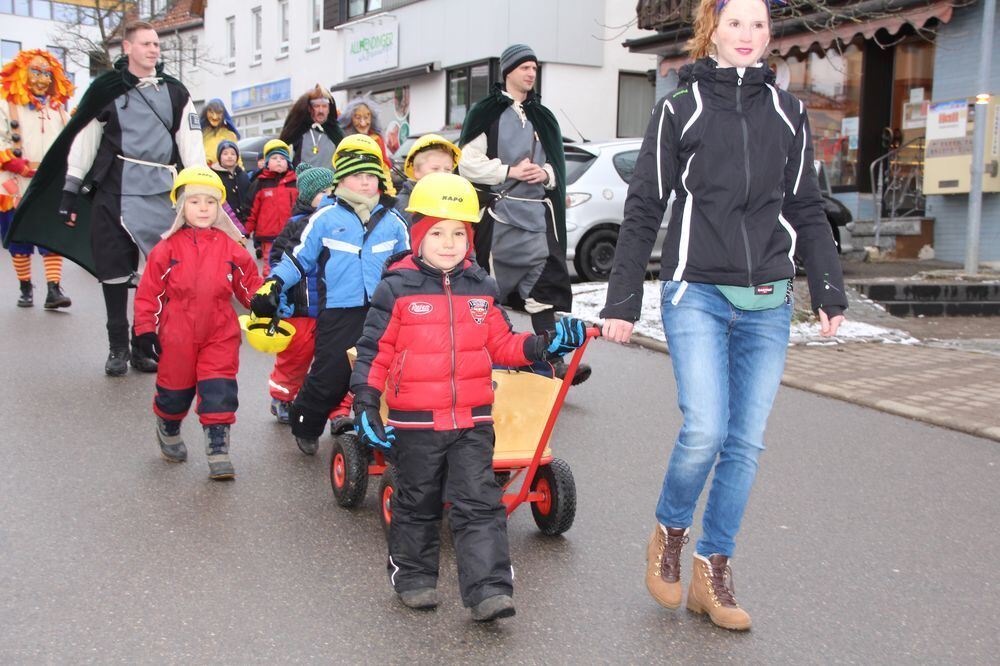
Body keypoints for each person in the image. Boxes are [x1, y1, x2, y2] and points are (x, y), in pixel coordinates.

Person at [600, 0, 847, 631]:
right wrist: (622, 301)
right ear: (713, 30)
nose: (747, 35)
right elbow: (644, 207)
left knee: (745, 444)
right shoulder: (680, 109)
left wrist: (826, 286)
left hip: (768, 300)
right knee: (706, 430)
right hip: (697, 294)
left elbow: (807, 207)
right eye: (735, 22)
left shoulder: (790, 115)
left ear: (770, 36)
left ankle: (714, 569)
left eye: (759, 25)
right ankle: (671, 530)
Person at [349, 172, 587, 621]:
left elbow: (502, 346)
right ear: (418, 236)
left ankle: (489, 591)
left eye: (459, 233)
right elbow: (374, 352)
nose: (448, 242)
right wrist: (364, 400)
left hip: (473, 420)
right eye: (437, 232)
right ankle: (414, 578)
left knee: (480, 503)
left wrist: (546, 345)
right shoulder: (396, 289)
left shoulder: (481, 287)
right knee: (415, 502)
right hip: (415, 422)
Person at [7, 21, 206, 377]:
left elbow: (191, 144)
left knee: (157, 277)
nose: (154, 49)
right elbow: (84, 144)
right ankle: (117, 347)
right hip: (113, 192)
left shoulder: (176, 93)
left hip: (161, 193)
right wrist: (69, 191)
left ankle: (143, 345)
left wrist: (200, 187)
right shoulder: (105, 91)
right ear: (127, 49)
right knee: (114, 272)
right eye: (146, 43)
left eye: (156, 44)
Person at [250, 133, 409, 456]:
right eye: (356, 176)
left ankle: (384, 431)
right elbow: (298, 257)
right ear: (341, 180)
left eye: (370, 176)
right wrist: (273, 284)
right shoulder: (325, 217)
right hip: (340, 309)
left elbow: (408, 264)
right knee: (332, 374)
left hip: (385, 309)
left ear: (380, 179)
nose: (364, 183)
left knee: (390, 372)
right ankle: (305, 421)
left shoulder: (392, 220)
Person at [458, 44, 589, 386]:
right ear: (508, 71)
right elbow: (467, 162)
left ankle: (553, 360)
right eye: (524, 67)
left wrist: (545, 173)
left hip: (537, 218)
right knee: (489, 291)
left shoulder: (543, 116)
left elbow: (557, 165)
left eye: (534, 68)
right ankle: (489, 361)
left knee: (542, 290)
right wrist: (509, 170)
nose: (531, 73)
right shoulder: (485, 111)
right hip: (500, 215)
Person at [133, 166, 262, 480]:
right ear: (180, 207)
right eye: (194, 201)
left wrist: (263, 300)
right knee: (174, 392)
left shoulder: (232, 248)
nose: (203, 207)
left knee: (219, 389)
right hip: (177, 333)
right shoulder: (166, 250)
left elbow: (249, 285)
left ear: (220, 207)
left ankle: (218, 447)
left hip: (220, 331)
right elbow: (150, 293)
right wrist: (144, 329)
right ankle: (168, 424)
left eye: (210, 201)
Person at [0, 49, 73, 309]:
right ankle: (25, 287)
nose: (42, 78)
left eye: (47, 73)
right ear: (22, 74)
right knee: (18, 236)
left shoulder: (58, 111)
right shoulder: (6, 105)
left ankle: (54, 289)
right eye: (36, 71)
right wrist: (16, 164)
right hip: (14, 183)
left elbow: (71, 143)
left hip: (49, 183)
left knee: (51, 234)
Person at [265, 163, 334, 424]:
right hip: (300, 307)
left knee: (327, 360)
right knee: (294, 358)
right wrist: (278, 293)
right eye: (322, 192)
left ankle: (323, 405)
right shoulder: (295, 226)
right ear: (307, 196)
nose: (329, 196)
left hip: (330, 306)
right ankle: (282, 397)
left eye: (332, 190)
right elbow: (277, 260)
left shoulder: (338, 221)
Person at [244, 139, 297, 277]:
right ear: (267, 162)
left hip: (291, 234)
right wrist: (244, 232)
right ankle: (270, 293)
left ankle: (290, 293)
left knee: (291, 263)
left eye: (282, 158)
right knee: (270, 265)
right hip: (268, 236)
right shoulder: (260, 183)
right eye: (274, 158)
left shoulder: (295, 183)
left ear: (288, 162)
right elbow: (251, 210)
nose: (279, 161)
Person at [395, 133, 461, 221]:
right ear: (417, 172)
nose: (442, 174)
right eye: (435, 168)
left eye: (447, 169)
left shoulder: (451, 201)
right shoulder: (405, 207)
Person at [338, 95, 394, 193]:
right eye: (357, 117)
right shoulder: (346, 140)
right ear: (350, 119)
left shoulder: (377, 139)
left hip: (375, 190)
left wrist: (388, 191)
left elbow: (384, 166)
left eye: (366, 117)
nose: (363, 123)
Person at [279, 85, 344, 169]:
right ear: (309, 108)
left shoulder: (336, 133)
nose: (321, 110)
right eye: (317, 106)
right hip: (302, 181)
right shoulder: (297, 131)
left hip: (330, 181)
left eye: (324, 106)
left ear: (329, 109)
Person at [211, 139, 250, 225]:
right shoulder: (214, 176)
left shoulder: (243, 175)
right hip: (223, 221)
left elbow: (249, 198)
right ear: (219, 157)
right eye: (225, 153)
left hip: (243, 222)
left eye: (233, 153)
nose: (229, 156)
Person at [200, 98, 240, 167]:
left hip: (226, 172)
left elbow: (237, 159)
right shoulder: (200, 134)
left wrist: (241, 173)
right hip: (206, 173)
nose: (215, 116)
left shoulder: (230, 135)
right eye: (211, 112)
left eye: (218, 112)